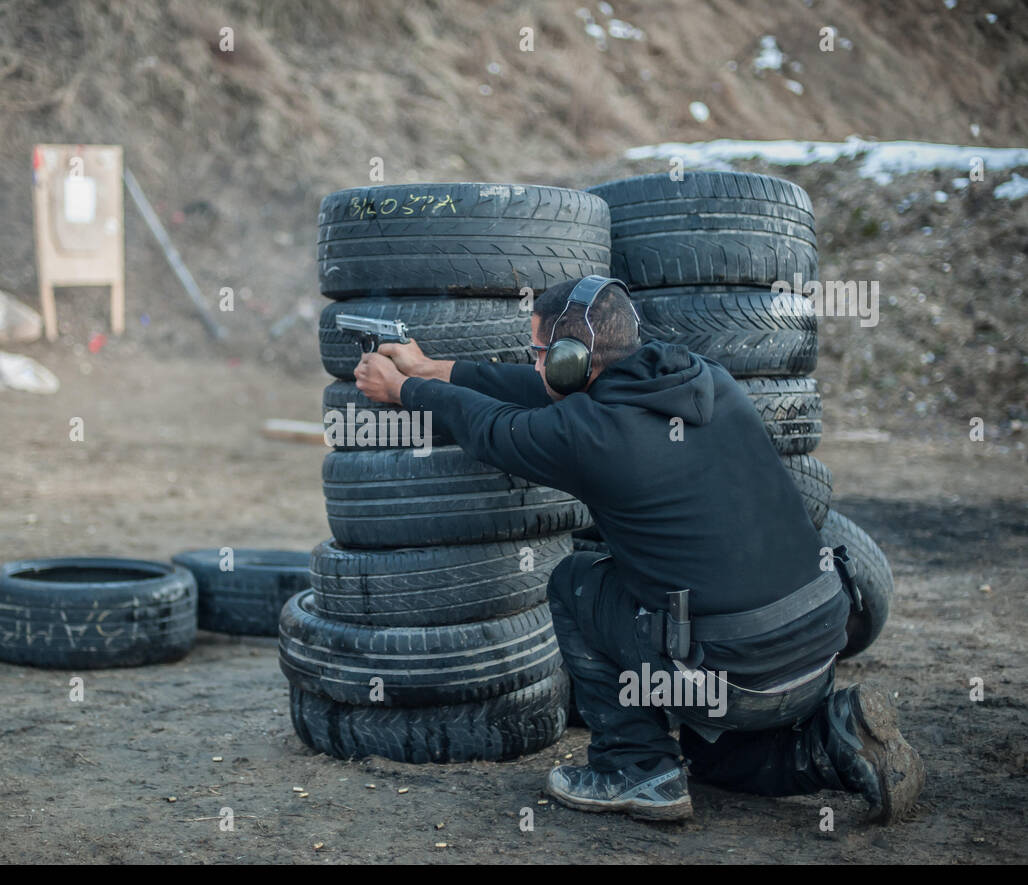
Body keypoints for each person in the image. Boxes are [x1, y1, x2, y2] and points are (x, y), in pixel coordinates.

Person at [352, 275, 923, 823]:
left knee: (575, 580)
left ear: (571, 359)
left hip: (730, 676)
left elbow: (493, 428)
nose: (533, 362)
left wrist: (405, 389)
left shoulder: (587, 436)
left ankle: (634, 770)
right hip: (817, 652)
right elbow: (541, 390)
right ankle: (837, 735)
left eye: (538, 350)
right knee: (714, 761)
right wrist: (434, 368)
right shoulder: (706, 379)